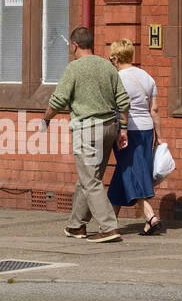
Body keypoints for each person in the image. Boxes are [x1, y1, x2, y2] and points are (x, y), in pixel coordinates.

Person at [40, 26, 131, 243]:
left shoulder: (74, 68)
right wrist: (123, 129)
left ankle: (109, 227)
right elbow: (123, 101)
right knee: (90, 178)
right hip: (109, 128)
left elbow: (59, 100)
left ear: (74, 45)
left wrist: (46, 118)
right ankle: (76, 226)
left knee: (90, 180)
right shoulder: (108, 67)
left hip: (87, 130)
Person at [105, 39, 162, 235]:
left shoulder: (117, 78)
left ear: (118, 58)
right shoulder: (147, 77)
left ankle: (150, 216)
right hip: (147, 130)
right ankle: (110, 224)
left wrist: (121, 131)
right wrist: (159, 137)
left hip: (127, 131)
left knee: (131, 172)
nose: (111, 61)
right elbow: (154, 110)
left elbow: (119, 107)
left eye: (112, 57)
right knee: (123, 172)